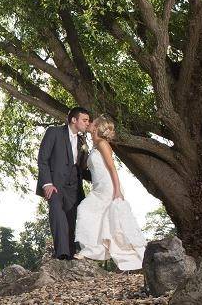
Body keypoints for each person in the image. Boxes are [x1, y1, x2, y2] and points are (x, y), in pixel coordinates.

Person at [74, 115, 147, 270]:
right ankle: (94, 251)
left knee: (85, 210)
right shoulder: (94, 146)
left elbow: (112, 168)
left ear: (96, 127)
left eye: (92, 122)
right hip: (98, 187)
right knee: (100, 220)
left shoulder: (102, 143)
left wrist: (117, 190)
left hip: (107, 187)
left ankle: (92, 251)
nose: (89, 123)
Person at [36, 107, 92, 260]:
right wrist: (47, 183)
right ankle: (62, 253)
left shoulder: (82, 141)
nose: (88, 123)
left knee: (71, 219)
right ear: (74, 120)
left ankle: (71, 254)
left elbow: (82, 168)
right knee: (57, 214)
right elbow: (43, 159)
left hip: (74, 186)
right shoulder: (53, 132)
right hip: (54, 184)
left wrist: (100, 176)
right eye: (85, 120)